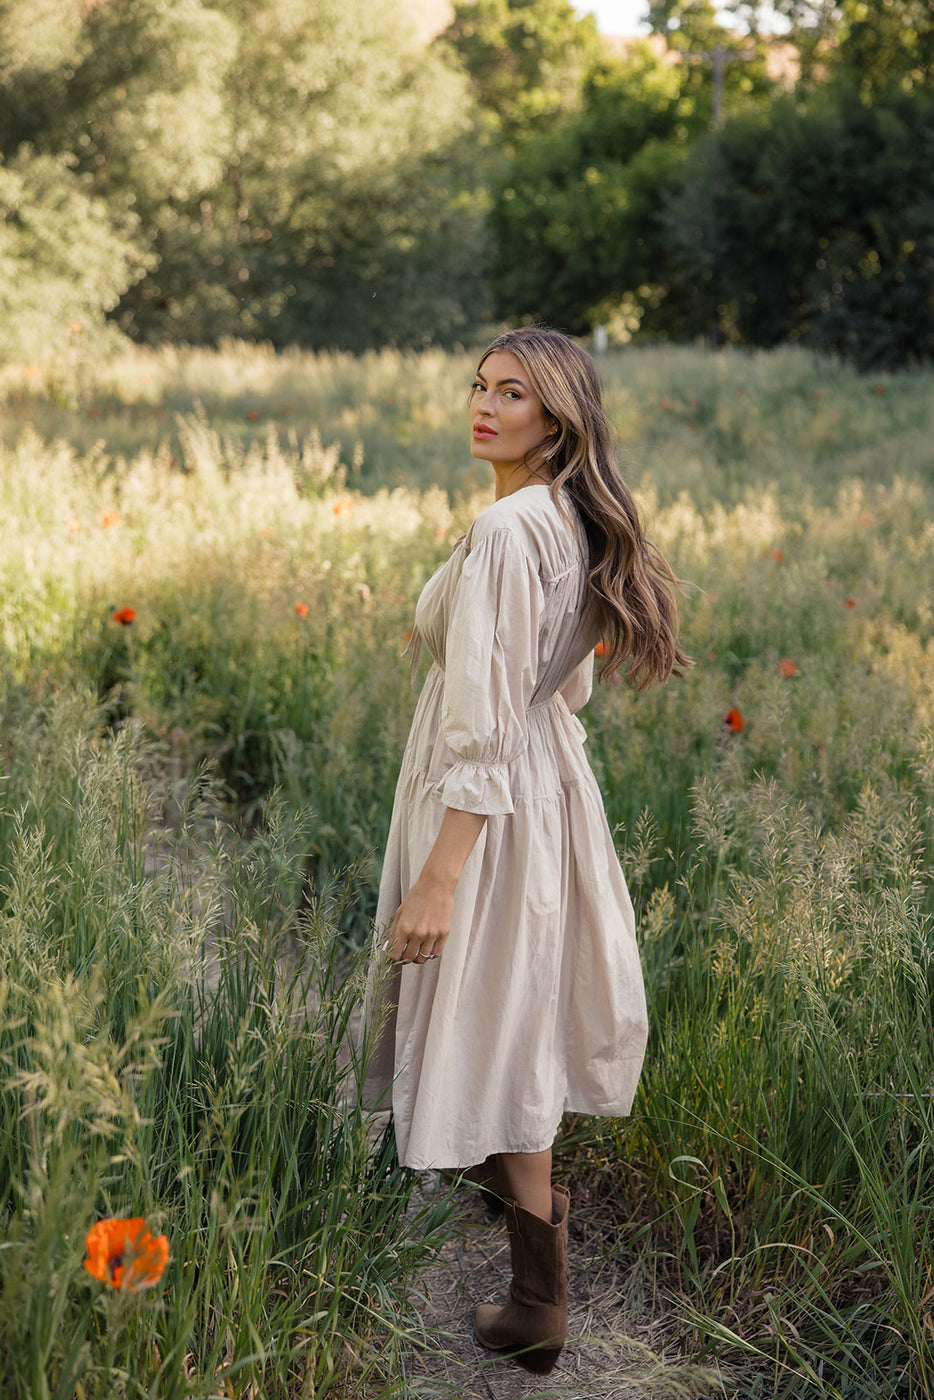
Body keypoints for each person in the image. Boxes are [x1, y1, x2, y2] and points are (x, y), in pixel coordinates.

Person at [360, 325, 689, 1373]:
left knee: (496, 1012)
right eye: (479, 384)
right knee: (517, 1013)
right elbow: (565, 683)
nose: (485, 404)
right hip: (540, 786)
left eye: (513, 392)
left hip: (487, 804)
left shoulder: (506, 529)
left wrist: (439, 877)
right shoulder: (562, 517)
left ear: (557, 417)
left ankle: (535, 1298)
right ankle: (534, 1297)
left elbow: (485, 720)